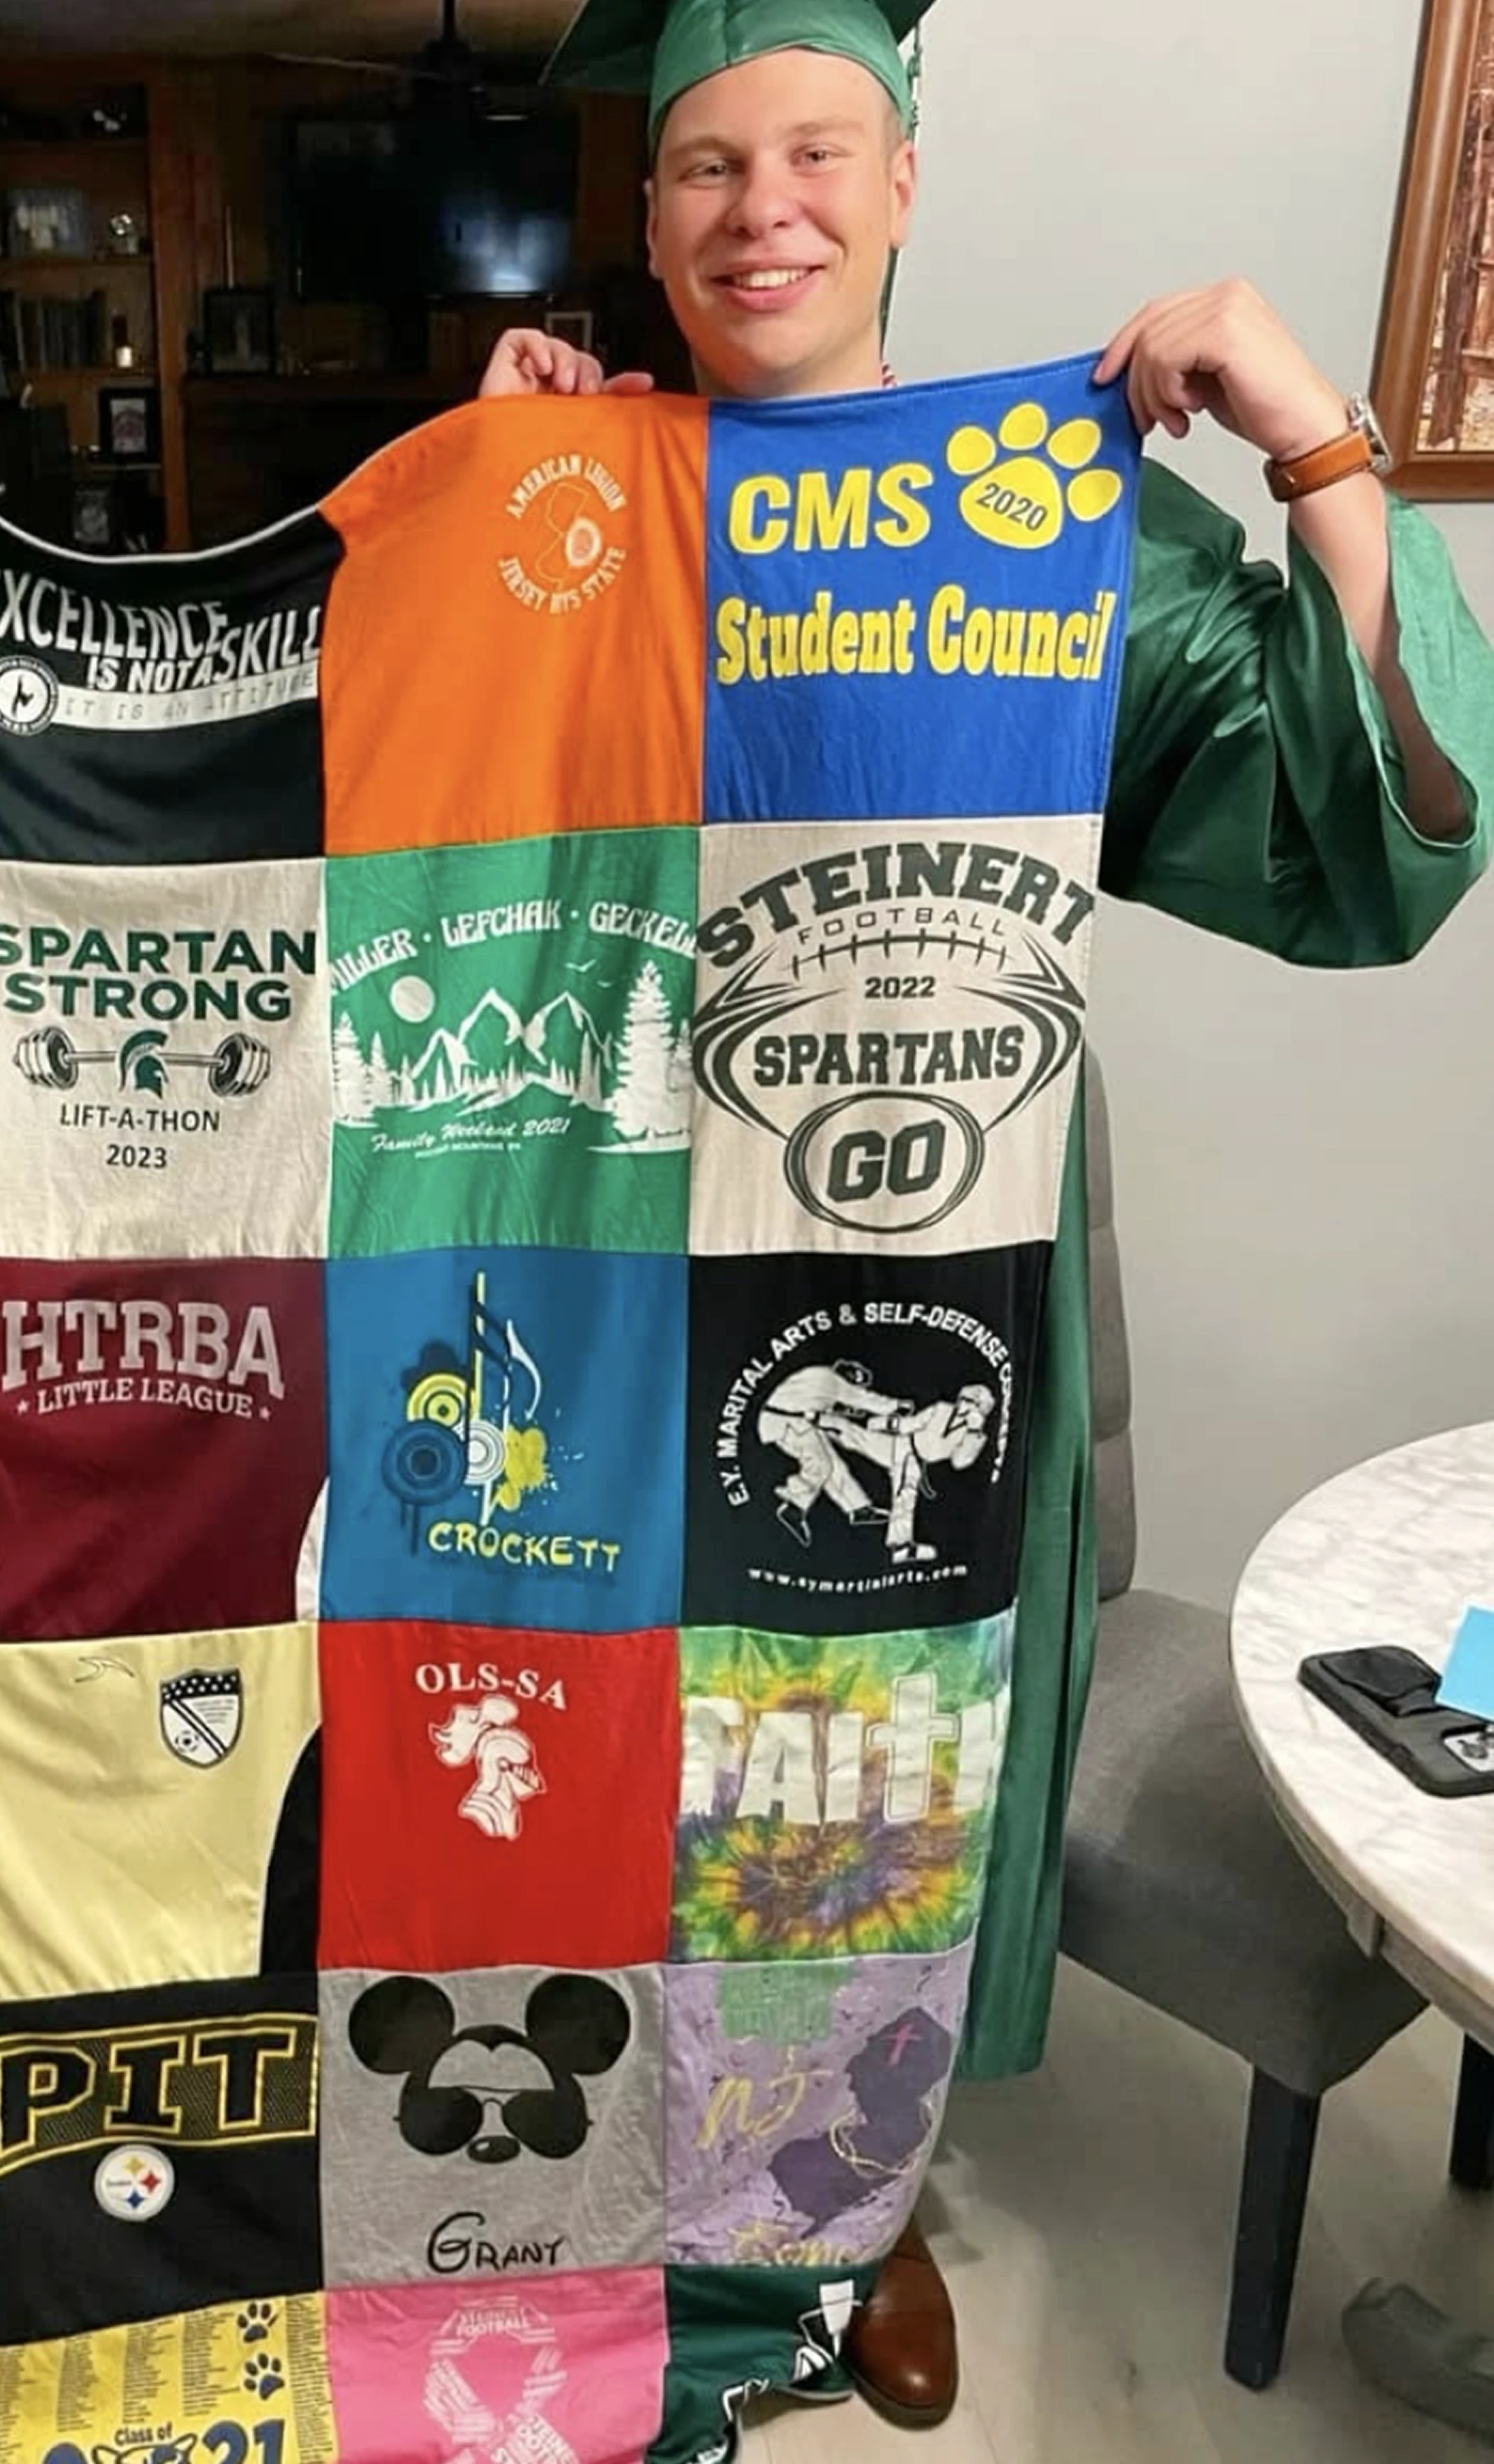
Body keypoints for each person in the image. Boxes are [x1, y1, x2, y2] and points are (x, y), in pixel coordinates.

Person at [480, 0, 1494, 2428]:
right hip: (611, 1277)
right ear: (648, 219)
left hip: (911, 1291)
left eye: (819, 149)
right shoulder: (574, 512)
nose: (766, 209)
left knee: (857, 1776)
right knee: (602, 1762)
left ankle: (852, 2212)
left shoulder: (1053, 541)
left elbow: (1380, 850)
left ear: (909, 181)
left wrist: (1317, 435)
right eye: (710, 165)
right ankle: (596, 2175)